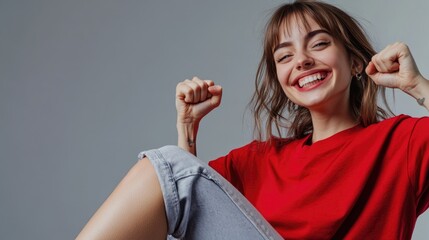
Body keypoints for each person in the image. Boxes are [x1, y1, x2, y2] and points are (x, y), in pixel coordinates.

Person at [77, 1, 429, 239]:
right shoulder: (259, 161)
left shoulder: (403, 142)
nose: (302, 61)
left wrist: (418, 85)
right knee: (168, 168)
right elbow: (183, 210)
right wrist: (186, 132)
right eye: (285, 56)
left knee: (171, 167)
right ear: (280, 77)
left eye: (319, 44)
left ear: (355, 62)